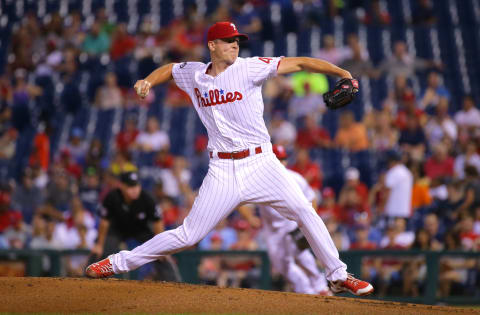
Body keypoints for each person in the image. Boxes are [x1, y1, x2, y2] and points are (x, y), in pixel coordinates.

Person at [86, 22, 373, 296]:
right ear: (212, 45)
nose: (235, 45)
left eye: (237, 41)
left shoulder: (250, 68)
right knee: (188, 235)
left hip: (261, 163)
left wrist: (341, 71)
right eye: (229, 41)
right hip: (222, 168)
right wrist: (148, 80)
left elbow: (299, 62)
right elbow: (171, 70)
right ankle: (116, 263)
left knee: (303, 209)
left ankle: (337, 274)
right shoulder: (195, 73)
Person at [238, 144, 330, 295]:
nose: (281, 162)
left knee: (302, 255)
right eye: (278, 159)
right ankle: (305, 289)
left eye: (283, 159)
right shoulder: (260, 182)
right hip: (273, 232)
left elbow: (312, 198)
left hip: (293, 224)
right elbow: (240, 202)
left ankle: (321, 287)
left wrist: (309, 220)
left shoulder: (295, 178)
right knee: (281, 265)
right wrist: (249, 217)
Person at [88, 171, 180, 281]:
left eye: (136, 185)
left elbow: (157, 222)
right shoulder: (113, 196)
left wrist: (162, 246)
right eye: (130, 186)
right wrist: (99, 244)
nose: (134, 190)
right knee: (100, 250)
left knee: (160, 252)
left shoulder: (147, 198)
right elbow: (104, 222)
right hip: (117, 230)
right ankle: (89, 280)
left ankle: (174, 282)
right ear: (121, 186)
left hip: (140, 230)